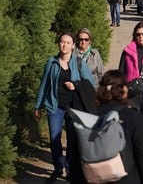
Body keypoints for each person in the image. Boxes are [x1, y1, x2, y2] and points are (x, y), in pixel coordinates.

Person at [75, 69, 143, 183]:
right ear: (124, 90)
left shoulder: (88, 118)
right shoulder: (132, 117)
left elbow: (76, 158)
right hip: (128, 179)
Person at [34, 32, 95, 183]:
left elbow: (89, 85)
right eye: (62, 42)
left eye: (68, 42)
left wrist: (75, 85)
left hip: (74, 107)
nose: (64, 45)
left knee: (72, 140)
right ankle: (57, 168)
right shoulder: (52, 62)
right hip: (54, 106)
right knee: (55, 139)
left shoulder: (79, 63)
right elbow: (44, 84)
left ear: (73, 45)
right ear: (58, 44)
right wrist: (38, 105)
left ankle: (70, 170)